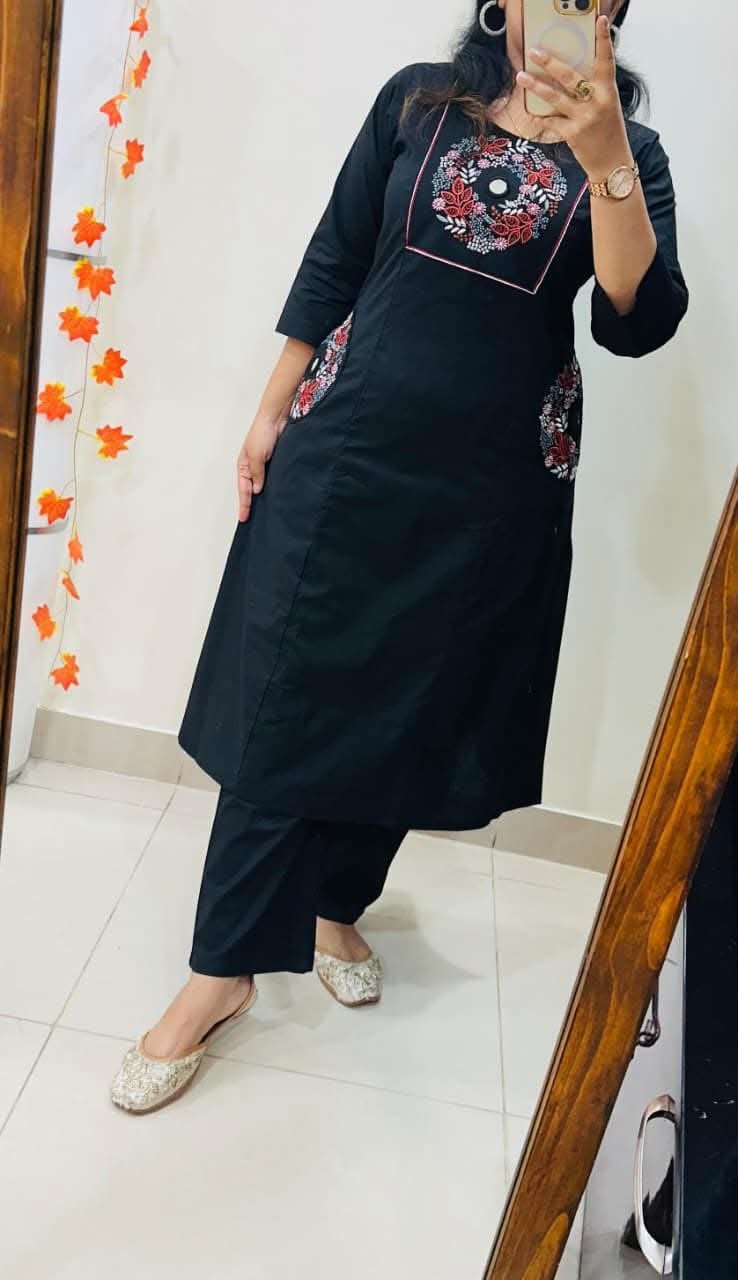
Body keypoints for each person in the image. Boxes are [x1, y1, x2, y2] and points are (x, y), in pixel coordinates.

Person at [111, 0, 688, 1113]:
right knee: (282, 702)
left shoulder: (634, 152)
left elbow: (637, 320)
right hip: (349, 445)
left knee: (418, 701)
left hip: (496, 485)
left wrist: (607, 157)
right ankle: (221, 971)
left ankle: (338, 903)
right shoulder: (418, 104)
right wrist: (268, 412)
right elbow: (334, 258)